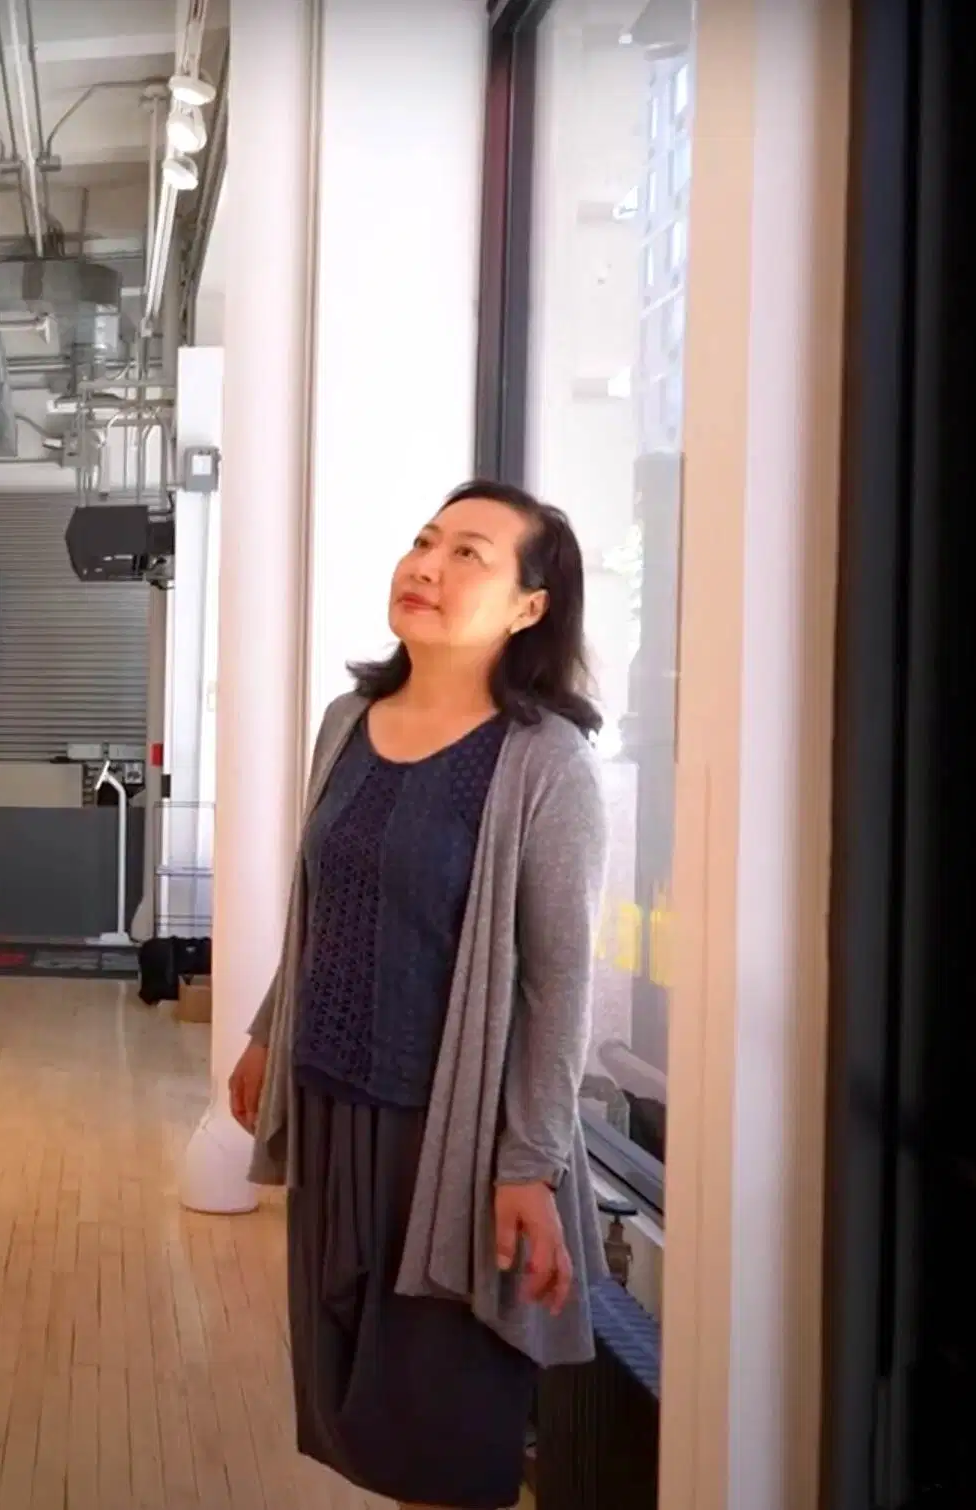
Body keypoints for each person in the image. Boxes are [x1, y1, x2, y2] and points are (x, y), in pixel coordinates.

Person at [224, 479, 613, 1510]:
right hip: (334, 1108)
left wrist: (528, 1163)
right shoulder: (347, 721)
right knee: (367, 1416)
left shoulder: (544, 762)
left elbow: (559, 981)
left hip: (456, 1140)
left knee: (448, 1437)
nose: (427, 566)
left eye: (470, 554)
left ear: (529, 606)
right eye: (424, 541)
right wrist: (268, 1030)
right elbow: (324, 904)